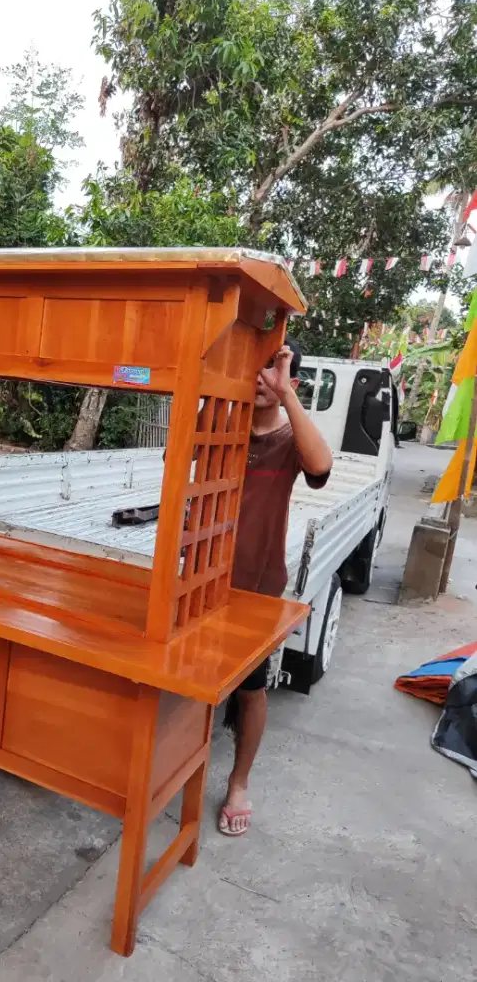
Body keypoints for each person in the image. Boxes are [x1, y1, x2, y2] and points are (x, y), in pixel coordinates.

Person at [219, 336, 333, 837]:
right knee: (190, 686)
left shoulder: (290, 440)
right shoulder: (221, 428)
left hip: (257, 587)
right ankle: (183, 764)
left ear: (289, 379)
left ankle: (239, 782)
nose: (261, 378)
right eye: (254, 367)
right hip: (203, 581)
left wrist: (288, 395)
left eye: (274, 369)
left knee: (250, 688)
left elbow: (322, 467)